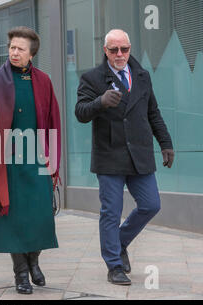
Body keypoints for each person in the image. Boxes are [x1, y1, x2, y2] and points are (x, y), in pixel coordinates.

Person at [75, 29, 174, 285]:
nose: (120, 55)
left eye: (124, 49)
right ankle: (114, 265)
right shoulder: (92, 78)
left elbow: (153, 113)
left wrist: (165, 142)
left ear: (130, 49)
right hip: (109, 156)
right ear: (105, 51)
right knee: (111, 211)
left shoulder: (142, 75)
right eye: (113, 50)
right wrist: (100, 102)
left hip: (139, 153)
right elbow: (80, 113)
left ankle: (118, 242)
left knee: (151, 204)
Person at [0, 26, 61, 294]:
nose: (14, 52)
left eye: (20, 49)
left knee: (40, 215)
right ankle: (21, 273)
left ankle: (34, 260)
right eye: (12, 47)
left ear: (32, 54)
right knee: (13, 218)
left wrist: (53, 158)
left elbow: (53, 121)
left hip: (37, 157)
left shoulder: (44, 81)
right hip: (6, 159)